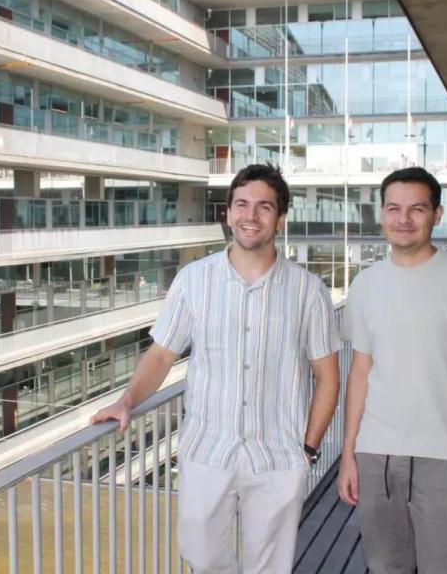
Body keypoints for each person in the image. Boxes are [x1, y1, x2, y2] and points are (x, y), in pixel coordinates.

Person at [91, 163, 342, 573]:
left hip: (278, 456)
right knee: (203, 559)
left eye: (264, 207)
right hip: (208, 451)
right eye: (241, 204)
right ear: (227, 213)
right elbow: (160, 356)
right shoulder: (193, 281)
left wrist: (309, 450)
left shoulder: (308, 291)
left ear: (280, 218)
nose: (251, 215)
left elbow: (328, 377)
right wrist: (126, 401)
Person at [337, 167, 447, 574]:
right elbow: (360, 373)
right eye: (393, 208)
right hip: (376, 453)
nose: (404, 219)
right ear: (381, 214)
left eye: (417, 209)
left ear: (437, 215)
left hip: (445, 455)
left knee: (445, 567)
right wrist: (348, 455)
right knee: (385, 567)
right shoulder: (365, 284)